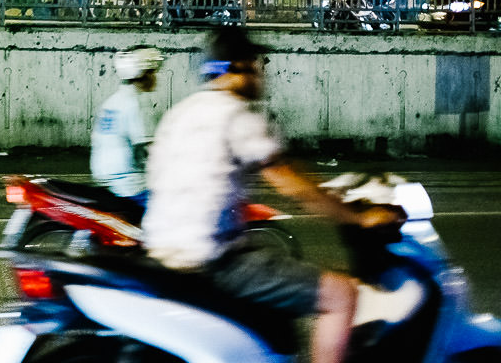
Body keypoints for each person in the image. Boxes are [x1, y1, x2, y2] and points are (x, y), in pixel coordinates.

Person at [140, 26, 421, 363]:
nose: (261, 72)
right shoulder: (234, 114)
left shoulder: (179, 114)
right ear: (235, 68)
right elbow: (286, 180)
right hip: (213, 261)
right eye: (256, 64)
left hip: (162, 252)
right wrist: (357, 216)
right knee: (340, 293)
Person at [90, 44, 162, 208]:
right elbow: (145, 150)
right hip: (131, 185)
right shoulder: (137, 103)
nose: (155, 77)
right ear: (143, 74)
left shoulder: (113, 101)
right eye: (152, 72)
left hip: (107, 180)